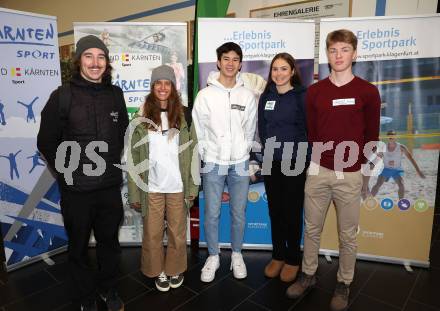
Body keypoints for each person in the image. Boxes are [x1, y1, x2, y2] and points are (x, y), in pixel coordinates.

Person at [286, 29, 381, 311]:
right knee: (312, 228)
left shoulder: (367, 91)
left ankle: (344, 282)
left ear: (355, 53)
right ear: (327, 55)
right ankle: (308, 275)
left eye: (344, 49)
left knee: (347, 234)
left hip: (349, 173)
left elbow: (372, 135)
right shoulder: (315, 91)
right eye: (333, 50)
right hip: (318, 170)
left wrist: (360, 168)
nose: (338, 56)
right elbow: (312, 131)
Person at [37, 35, 128, 311]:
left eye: (100, 57)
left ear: (107, 63)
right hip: (76, 191)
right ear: (79, 61)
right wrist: (67, 173)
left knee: (109, 245)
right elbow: (46, 142)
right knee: (78, 249)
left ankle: (108, 290)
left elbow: (121, 131)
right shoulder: (62, 96)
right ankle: (85, 297)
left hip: (109, 188)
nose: (95, 63)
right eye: (89, 56)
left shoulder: (115, 95)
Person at [127, 65, 199, 292]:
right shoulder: (141, 116)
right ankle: (157, 270)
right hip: (152, 187)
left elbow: (194, 151)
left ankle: (175, 268)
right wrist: (135, 191)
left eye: (167, 83)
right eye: (158, 83)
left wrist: (193, 187)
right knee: (152, 232)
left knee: (178, 233)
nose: (162, 87)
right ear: (152, 86)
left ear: (173, 87)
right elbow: (133, 157)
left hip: (178, 186)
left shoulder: (184, 115)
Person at [192, 42, 257, 283]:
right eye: (226, 59)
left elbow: (250, 130)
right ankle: (213, 256)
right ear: (218, 62)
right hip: (213, 162)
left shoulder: (247, 95)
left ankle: (237, 255)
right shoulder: (205, 95)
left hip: (240, 161)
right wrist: (209, 153)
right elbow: (199, 131)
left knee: (239, 212)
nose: (230, 63)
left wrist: (242, 150)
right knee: (211, 213)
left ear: (240, 64)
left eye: (235, 59)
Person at [257, 53, 308, 282]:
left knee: (292, 211)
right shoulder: (265, 97)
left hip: (293, 160)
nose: (278, 73)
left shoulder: (301, 96)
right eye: (275, 69)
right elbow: (262, 127)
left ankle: (292, 258)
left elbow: (308, 130)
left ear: (292, 71)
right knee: (275, 210)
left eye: (283, 69)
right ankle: (277, 255)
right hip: (270, 160)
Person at [369, 130, 425, 199]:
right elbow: (377, 158)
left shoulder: (401, 147)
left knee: (401, 185)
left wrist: (418, 171)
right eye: (389, 135)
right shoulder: (383, 147)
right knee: (377, 184)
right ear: (387, 137)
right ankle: (368, 200)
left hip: (396, 170)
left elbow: (411, 159)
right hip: (386, 169)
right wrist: (372, 165)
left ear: (396, 137)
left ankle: (400, 203)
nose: (391, 136)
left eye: (392, 135)